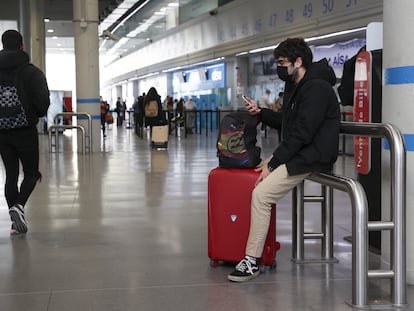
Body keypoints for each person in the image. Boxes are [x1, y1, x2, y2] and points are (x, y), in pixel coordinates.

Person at [227, 37, 340, 282]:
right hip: (300, 153)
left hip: (311, 157)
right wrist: (262, 113)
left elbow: (303, 133)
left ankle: (251, 260)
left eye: (282, 62)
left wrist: (274, 163)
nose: (279, 67)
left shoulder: (317, 88)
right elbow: (289, 124)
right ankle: (256, 250)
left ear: (298, 61)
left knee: (261, 194)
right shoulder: (296, 85)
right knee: (254, 174)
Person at [0, 29, 50, 235]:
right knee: (31, 173)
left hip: (1, 132)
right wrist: (34, 114)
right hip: (25, 131)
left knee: (10, 175)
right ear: (22, 46)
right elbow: (43, 103)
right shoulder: (31, 72)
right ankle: (18, 206)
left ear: (3, 44)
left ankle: (15, 223)